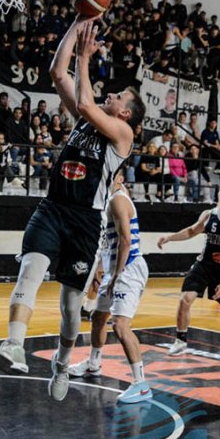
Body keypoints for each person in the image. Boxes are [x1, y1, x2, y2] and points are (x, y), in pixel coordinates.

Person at [0, 18, 146, 403]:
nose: (115, 95)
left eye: (121, 96)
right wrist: (77, 25)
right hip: (53, 208)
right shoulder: (85, 122)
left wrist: (87, 57)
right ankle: (14, 346)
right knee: (30, 269)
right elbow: (58, 72)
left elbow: (88, 101)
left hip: (85, 222)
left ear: (126, 114)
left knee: (72, 306)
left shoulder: (123, 136)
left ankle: (61, 362)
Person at [68, 172, 152, 404]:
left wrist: (115, 275)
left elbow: (125, 240)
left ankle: (141, 384)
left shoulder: (118, 200)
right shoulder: (107, 200)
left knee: (121, 326)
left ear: (121, 177)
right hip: (114, 267)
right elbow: (107, 242)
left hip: (128, 268)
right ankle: (94, 364)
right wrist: (99, 270)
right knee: (98, 317)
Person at [157, 181, 220, 355]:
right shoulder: (208, 215)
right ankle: (181, 340)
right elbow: (192, 231)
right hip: (204, 264)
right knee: (185, 298)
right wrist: (170, 237)